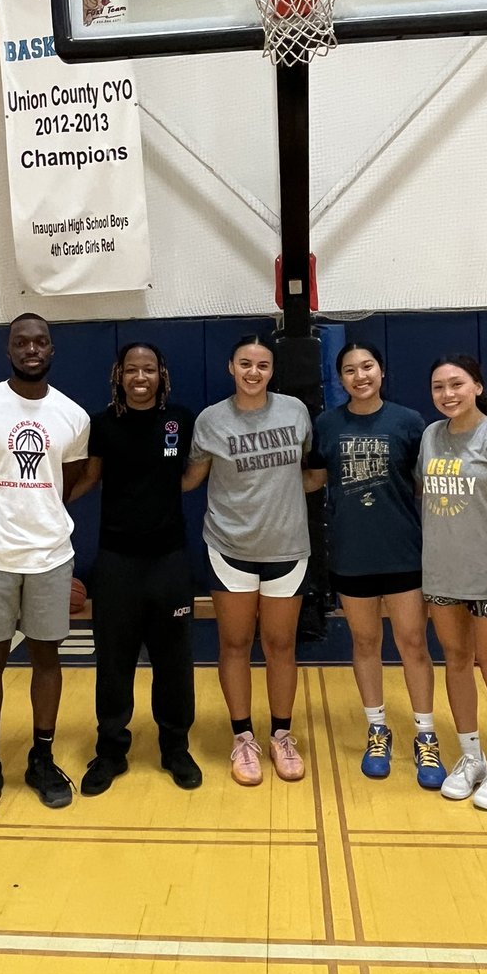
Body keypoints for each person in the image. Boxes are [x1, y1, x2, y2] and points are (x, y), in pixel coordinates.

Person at [0, 313, 89, 820]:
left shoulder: (72, 416)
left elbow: (67, 484)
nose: (31, 349)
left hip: (49, 555)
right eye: (21, 341)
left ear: (52, 350)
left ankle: (42, 758)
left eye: (40, 341)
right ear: (9, 350)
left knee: (47, 660)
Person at [306, 342, 446, 789]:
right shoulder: (327, 425)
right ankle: (377, 729)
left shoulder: (409, 422)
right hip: (351, 555)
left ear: (381, 372)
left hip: (403, 552)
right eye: (349, 370)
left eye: (367, 367)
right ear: (340, 378)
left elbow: (426, 485)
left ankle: (426, 736)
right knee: (366, 643)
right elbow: (313, 478)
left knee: (412, 645)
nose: (359, 376)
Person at [68, 342, 201, 796]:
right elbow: (89, 476)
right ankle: (110, 752)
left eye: (148, 369)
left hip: (169, 559)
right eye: (131, 369)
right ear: (118, 375)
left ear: (161, 375)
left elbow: (192, 473)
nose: (139, 376)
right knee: (114, 661)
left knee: (174, 662)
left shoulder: (180, 420)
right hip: (117, 561)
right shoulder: (103, 424)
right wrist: (43, 504)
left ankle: (175, 748)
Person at [182, 334, 312, 786]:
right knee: (235, 644)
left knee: (280, 646)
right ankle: (242, 737)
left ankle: (281, 734)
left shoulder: (295, 411)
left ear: (271, 371)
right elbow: (192, 478)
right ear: (231, 368)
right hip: (229, 548)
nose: (253, 372)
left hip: (287, 547)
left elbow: (310, 472)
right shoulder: (211, 420)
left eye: (262, 365)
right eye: (245, 364)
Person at [419, 354, 487, 811]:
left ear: (477, 387)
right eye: (438, 387)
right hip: (443, 575)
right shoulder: (430, 436)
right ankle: (471, 757)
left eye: (456, 384)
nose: (447, 394)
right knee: (457, 662)